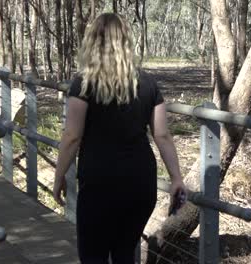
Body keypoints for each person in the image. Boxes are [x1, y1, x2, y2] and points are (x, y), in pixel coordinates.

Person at [53, 13, 187, 264]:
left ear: (92, 42)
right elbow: (162, 135)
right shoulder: (148, 83)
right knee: (125, 254)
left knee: (93, 256)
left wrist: (59, 176)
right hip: (140, 184)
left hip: (99, 185)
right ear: (126, 41)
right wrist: (176, 178)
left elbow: (72, 136)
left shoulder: (83, 84)